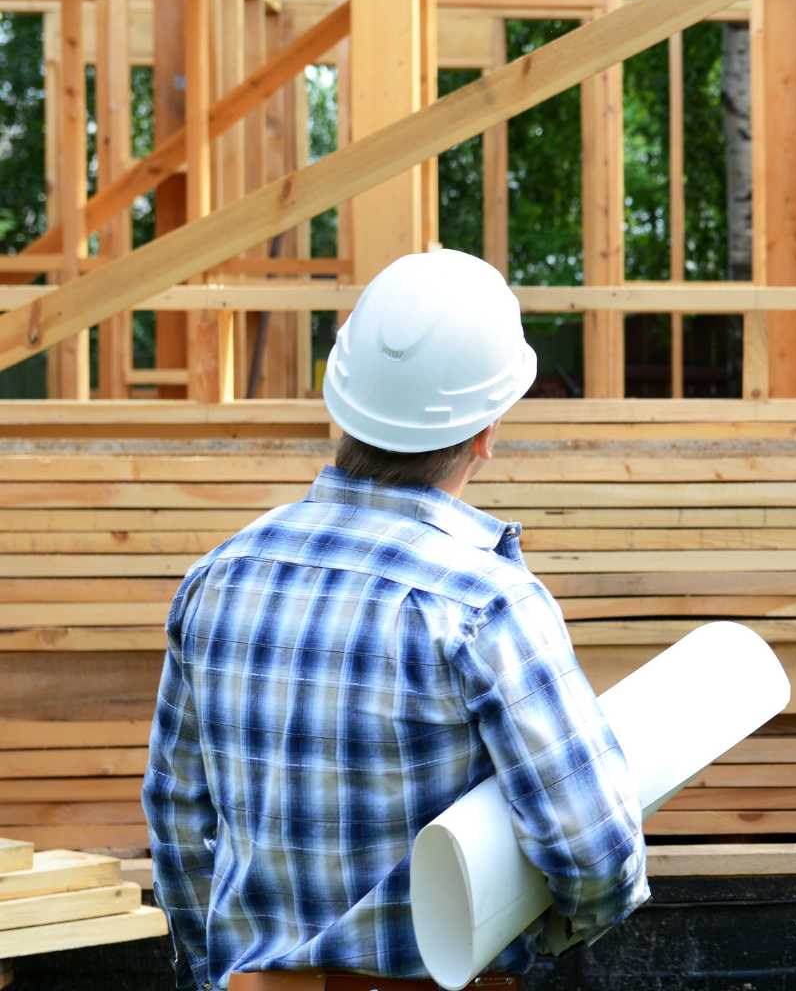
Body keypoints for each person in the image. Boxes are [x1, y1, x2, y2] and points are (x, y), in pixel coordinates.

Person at [142, 251, 650, 991]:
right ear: (486, 432)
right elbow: (594, 855)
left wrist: (216, 974)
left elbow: (177, 820)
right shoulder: (485, 603)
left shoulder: (218, 576)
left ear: (341, 400)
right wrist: (542, 930)